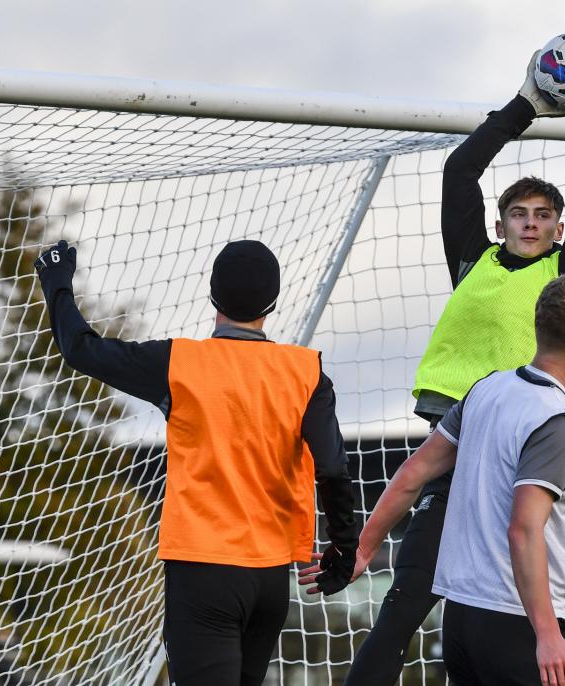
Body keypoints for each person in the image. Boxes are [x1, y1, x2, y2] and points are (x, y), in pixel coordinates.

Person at [339, 50, 565, 684]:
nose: (530, 223)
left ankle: (547, 639)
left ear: (558, 228)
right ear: (500, 223)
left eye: (542, 216)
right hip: (460, 437)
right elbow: (460, 169)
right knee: (403, 609)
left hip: (521, 446)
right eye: (519, 214)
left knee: (518, 582)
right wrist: (526, 105)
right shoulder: (475, 260)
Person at [34, 239, 358, 686]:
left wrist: (56, 281)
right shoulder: (306, 372)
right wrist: (344, 547)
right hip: (269, 582)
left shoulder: (178, 363)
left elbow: (81, 350)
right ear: (273, 302)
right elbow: (333, 468)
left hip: (203, 576)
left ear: (212, 295)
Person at [318, 272, 565, 686]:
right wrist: (548, 634)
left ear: (538, 326)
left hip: (459, 622)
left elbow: (413, 472)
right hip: (517, 624)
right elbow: (523, 529)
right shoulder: (558, 423)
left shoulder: (485, 391)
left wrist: (364, 548)